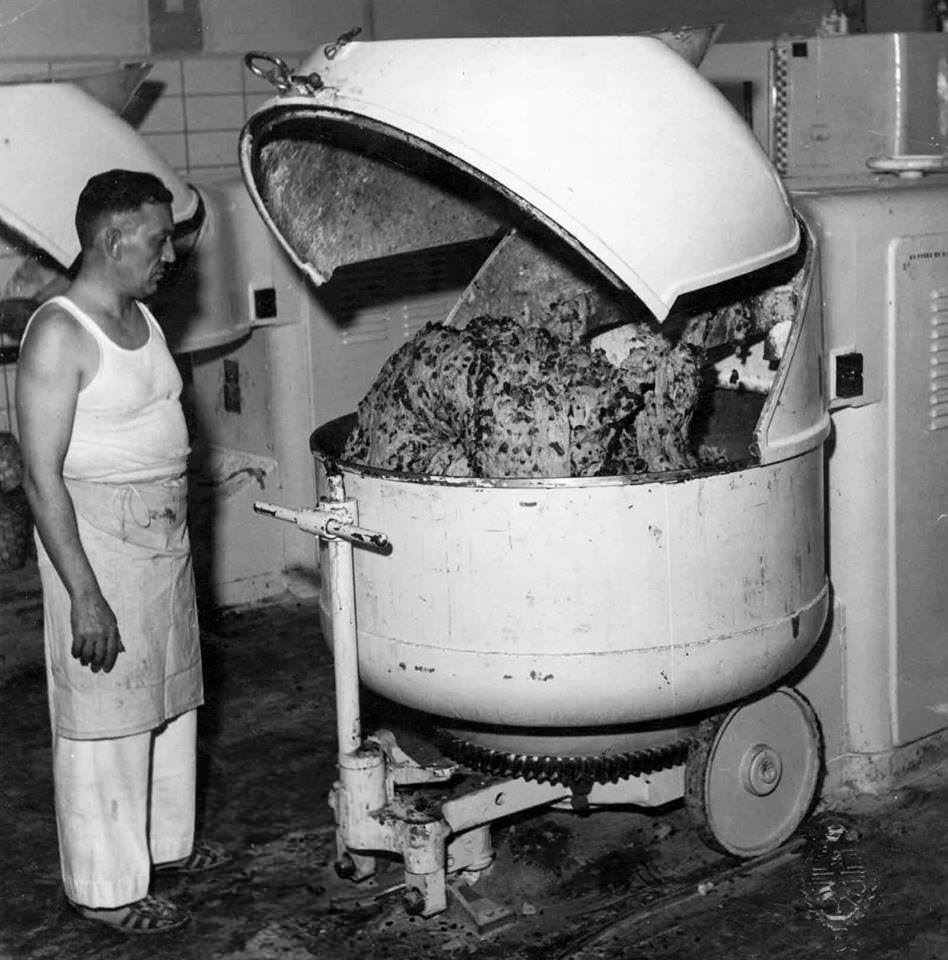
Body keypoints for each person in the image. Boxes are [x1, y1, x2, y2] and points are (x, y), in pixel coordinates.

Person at [15, 169, 231, 935]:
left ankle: (164, 847)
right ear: (111, 240)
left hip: (162, 539)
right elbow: (40, 478)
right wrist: (85, 593)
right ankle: (105, 889)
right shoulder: (60, 331)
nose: (171, 252)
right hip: (98, 541)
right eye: (158, 237)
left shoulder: (142, 317)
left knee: (169, 699)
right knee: (106, 717)